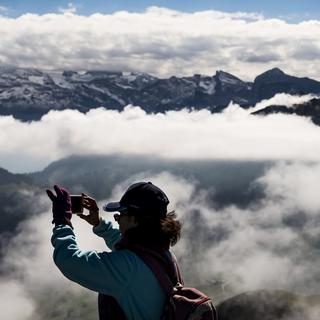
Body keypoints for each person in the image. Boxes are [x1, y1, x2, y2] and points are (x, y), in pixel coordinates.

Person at [47, 182, 182, 320]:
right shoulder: (166, 255)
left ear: (137, 219)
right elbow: (127, 244)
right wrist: (98, 223)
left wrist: (62, 222)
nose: (116, 219)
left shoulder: (126, 269)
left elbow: (68, 260)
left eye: (121, 214)